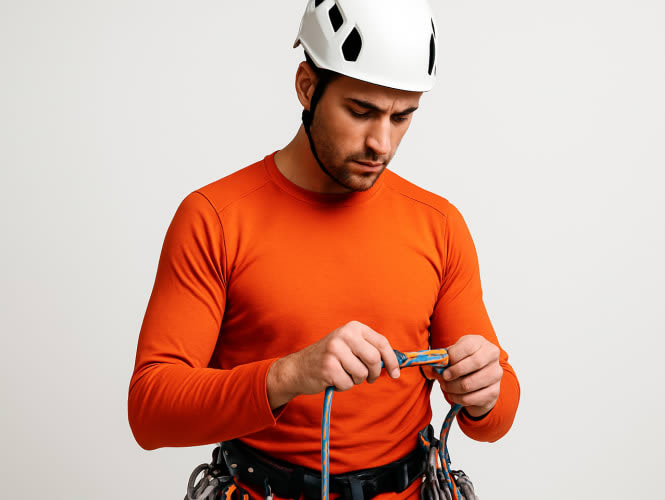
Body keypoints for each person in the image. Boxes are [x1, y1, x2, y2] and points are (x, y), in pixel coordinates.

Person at [128, 1, 520, 498]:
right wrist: (290, 374)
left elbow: (495, 418)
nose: (382, 142)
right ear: (308, 88)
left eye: (403, 117)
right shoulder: (215, 219)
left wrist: (484, 392)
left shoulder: (439, 225)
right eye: (361, 111)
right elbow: (150, 412)